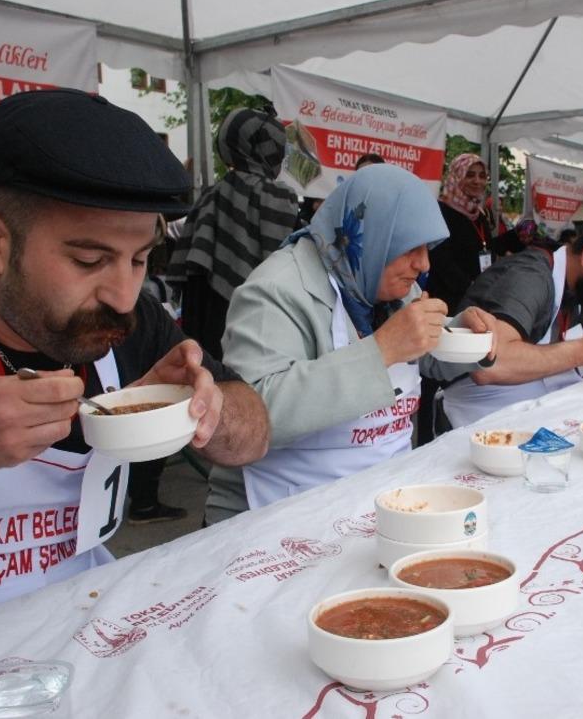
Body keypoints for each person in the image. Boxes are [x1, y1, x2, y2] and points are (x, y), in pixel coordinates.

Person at [0, 88, 270, 660]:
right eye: (89, 260)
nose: (122, 295)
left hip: (73, 634)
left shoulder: (135, 321)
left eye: (140, 259)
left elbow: (255, 433)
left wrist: (203, 413)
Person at [207, 165, 496, 523]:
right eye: (410, 247)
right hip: (279, 512)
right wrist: (382, 350)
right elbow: (252, 415)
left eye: (427, 248)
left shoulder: (380, 280)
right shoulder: (274, 290)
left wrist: (465, 337)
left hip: (375, 498)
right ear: (369, 234)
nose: (423, 264)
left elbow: (424, 355)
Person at [442, 201, 583, 428]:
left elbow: (574, 360)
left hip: (526, 416)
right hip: (474, 424)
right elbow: (490, 366)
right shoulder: (531, 277)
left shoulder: (581, 289)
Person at [167, 108, 300, 360]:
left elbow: (193, 273)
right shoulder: (283, 201)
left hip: (206, 333)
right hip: (267, 333)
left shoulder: (210, 197)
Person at [426, 153, 494, 314]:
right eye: (470, 175)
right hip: (446, 302)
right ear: (457, 176)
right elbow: (440, 258)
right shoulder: (442, 211)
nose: (477, 181)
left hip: (476, 300)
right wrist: (469, 286)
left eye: (482, 176)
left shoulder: (478, 214)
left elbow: (489, 247)